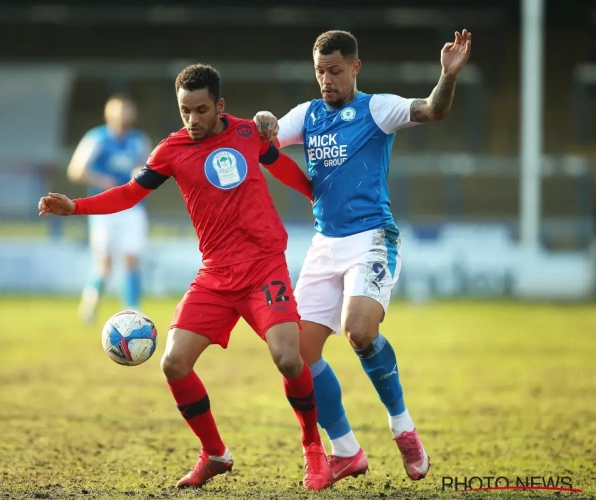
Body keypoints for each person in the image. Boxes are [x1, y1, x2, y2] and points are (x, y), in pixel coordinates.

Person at [39, 64, 332, 491]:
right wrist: (77, 207)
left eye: (200, 110)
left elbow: (279, 166)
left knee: (290, 358)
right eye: (184, 111)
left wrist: (317, 196)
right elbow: (130, 193)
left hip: (263, 266)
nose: (192, 120)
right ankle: (214, 453)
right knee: (174, 363)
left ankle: (313, 450)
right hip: (215, 275)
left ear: (219, 106)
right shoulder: (170, 151)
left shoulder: (249, 134)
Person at [253, 29, 473, 483]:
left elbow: (432, 110)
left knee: (358, 331)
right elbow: (273, 133)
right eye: (319, 72)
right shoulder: (309, 114)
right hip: (324, 244)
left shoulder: (376, 108)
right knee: (299, 353)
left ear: (355, 67)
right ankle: (346, 449)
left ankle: (403, 428)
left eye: (334, 70)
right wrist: (265, 121)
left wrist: (446, 76)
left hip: (371, 238)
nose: (326, 80)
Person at [66, 95, 151, 323]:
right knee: (104, 263)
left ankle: (133, 312)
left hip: (132, 207)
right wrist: (102, 180)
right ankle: (91, 304)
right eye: (118, 110)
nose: (123, 115)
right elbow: (75, 169)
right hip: (104, 207)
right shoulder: (97, 138)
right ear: (108, 113)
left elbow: (147, 168)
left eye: (127, 110)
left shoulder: (139, 140)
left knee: (132, 258)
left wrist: (139, 175)